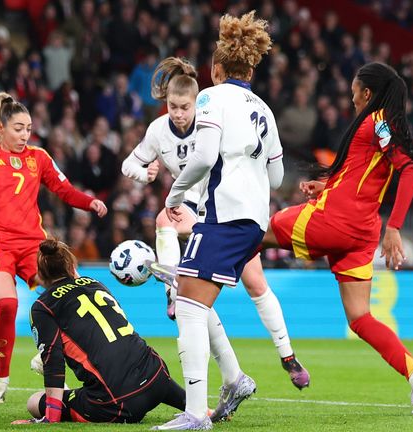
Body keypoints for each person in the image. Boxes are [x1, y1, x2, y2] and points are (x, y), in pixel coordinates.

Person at [263, 62, 413, 414]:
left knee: (253, 234)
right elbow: (363, 176)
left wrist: (395, 228)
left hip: (337, 219)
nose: (351, 96)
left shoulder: (378, 122)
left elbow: (409, 170)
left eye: (355, 90)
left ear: (368, 93)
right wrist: (326, 185)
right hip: (360, 233)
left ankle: (186, 288)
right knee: (360, 317)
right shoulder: (379, 126)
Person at [122, 56, 309, 391]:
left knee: (250, 284)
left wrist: (173, 194)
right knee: (193, 293)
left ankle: (286, 355)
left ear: (197, 102)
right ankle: (174, 293)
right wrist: (145, 172)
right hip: (214, 211)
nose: (178, 114)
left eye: (184, 107)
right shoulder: (158, 131)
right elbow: (129, 165)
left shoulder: (212, 113)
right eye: (173, 107)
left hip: (217, 208)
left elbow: (213, 159)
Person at [154, 12, 279, 430]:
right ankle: (233, 379)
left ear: (217, 69)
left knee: (186, 305)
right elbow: (276, 176)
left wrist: (175, 193)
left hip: (224, 216)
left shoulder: (210, 98)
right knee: (191, 295)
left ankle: (194, 414)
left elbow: (205, 157)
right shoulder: (264, 109)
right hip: (254, 222)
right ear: (251, 68)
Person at [0, 92, 107, 404]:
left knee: (70, 294)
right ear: (0, 128)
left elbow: (63, 188)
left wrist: (89, 202)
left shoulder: (39, 158)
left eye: (28, 129)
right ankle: (2, 383)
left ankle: (51, 348)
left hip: (33, 244)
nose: (24, 135)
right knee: (6, 304)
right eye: (18, 128)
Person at [15, 239, 185, 424]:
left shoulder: (43, 306)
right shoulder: (95, 283)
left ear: (40, 273)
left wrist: (50, 419)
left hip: (118, 402)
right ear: (72, 266)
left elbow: (53, 361)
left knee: (34, 402)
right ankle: (195, 406)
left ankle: (62, 406)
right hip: (157, 376)